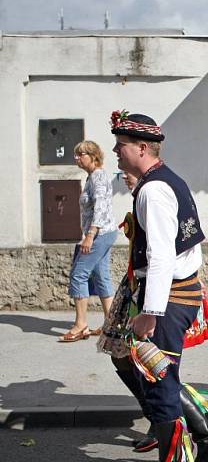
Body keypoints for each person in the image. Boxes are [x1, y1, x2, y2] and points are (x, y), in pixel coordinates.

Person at [110, 110, 208, 462]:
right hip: (178, 291)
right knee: (158, 376)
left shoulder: (153, 190)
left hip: (167, 297)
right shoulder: (165, 179)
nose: (115, 150)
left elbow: (160, 256)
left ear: (141, 148)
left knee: (158, 383)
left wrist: (150, 313)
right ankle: (201, 444)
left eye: (121, 145)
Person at [59, 141, 117, 342]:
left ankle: (81, 325)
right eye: (75, 154)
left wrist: (90, 236)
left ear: (94, 156)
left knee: (78, 274)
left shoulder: (98, 177)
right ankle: (111, 323)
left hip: (99, 234)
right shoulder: (93, 177)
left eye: (80, 154)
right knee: (101, 276)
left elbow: (100, 207)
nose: (76, 158)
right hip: (105, 232)